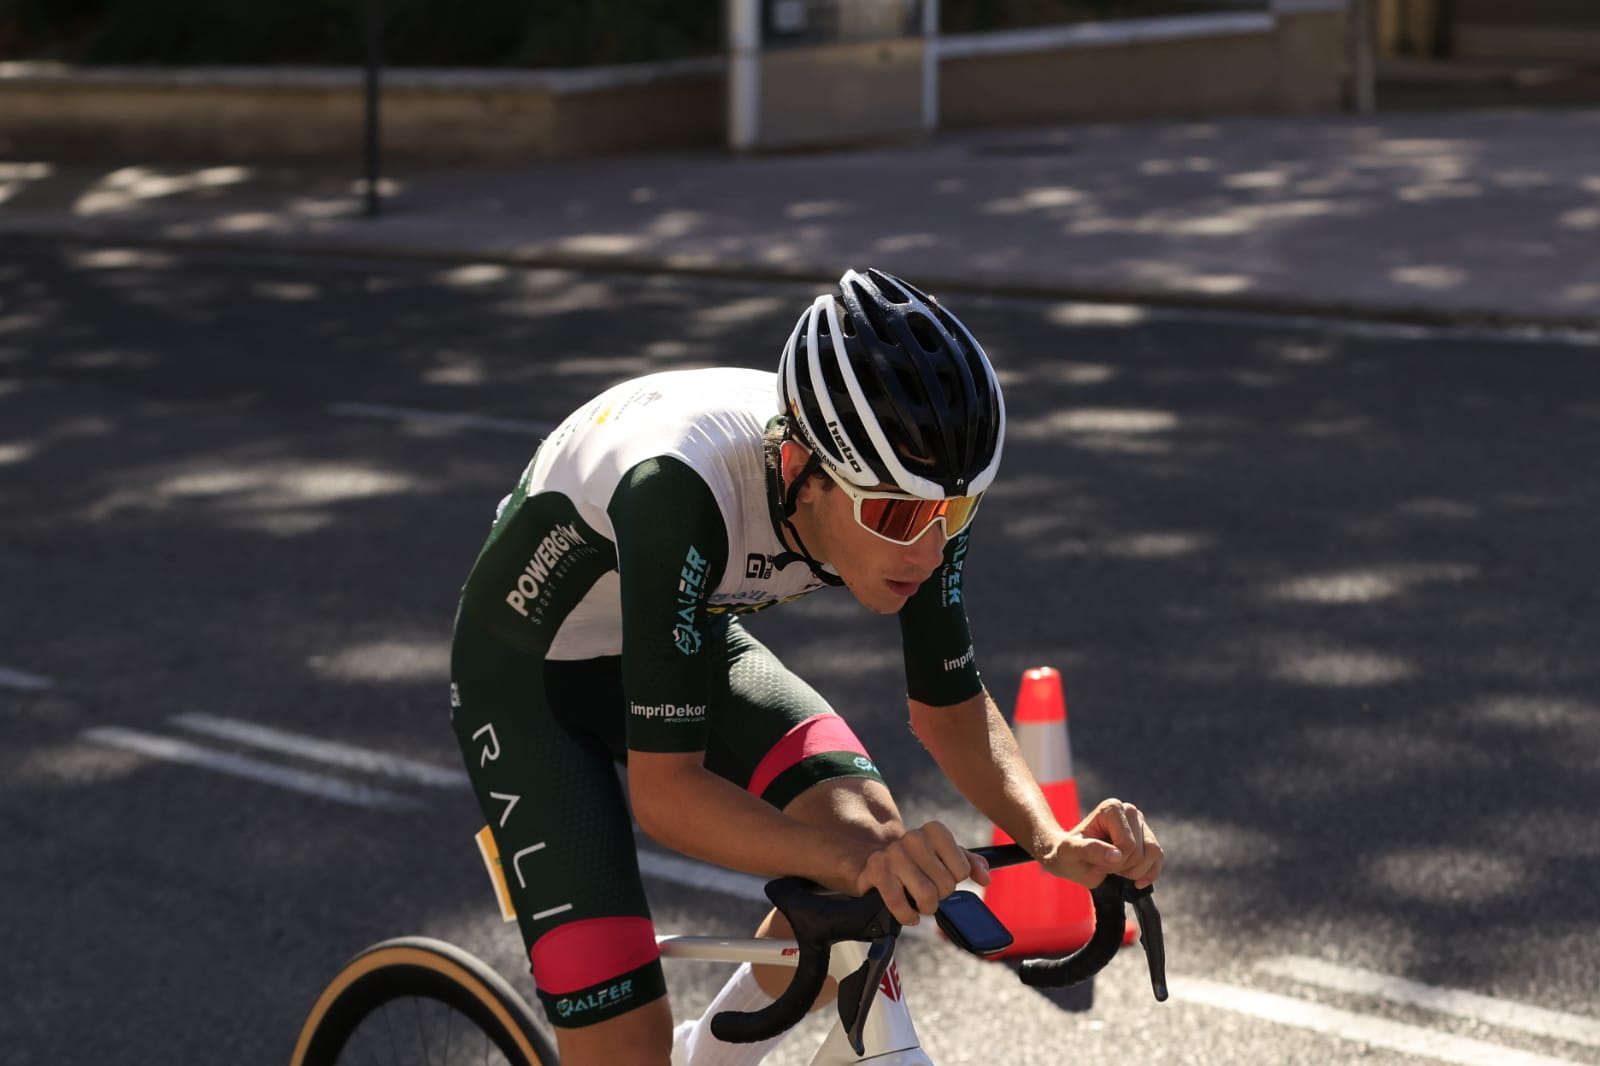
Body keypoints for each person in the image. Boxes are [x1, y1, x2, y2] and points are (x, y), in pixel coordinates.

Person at [449, 268, 1163, 1066]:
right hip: (527, 678)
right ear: (800, 473)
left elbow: (949, 705)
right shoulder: (676, 492)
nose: (929, 549)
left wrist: (1052, 839)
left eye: (954, 515)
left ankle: (712, 1058)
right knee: (629, 1049)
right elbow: (667, 794)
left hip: (681, 632)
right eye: (896, 516)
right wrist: (855, 862)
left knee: (866, 849)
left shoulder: (918, 479)